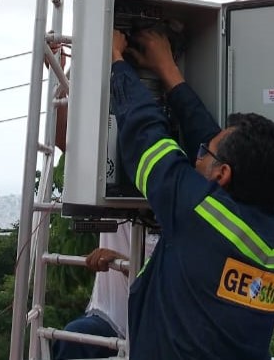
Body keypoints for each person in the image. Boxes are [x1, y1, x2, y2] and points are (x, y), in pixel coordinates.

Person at [110, 28, 274, 360]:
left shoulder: (198, 214)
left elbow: (144, 136)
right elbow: (216, 148)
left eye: (203, 153)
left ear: (222, 175)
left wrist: (115, 58)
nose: (196, 156)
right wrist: (168, 69)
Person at [49, 43, 154, 360]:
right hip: (110, 316)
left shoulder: (177, 184)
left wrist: (124, 261)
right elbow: (66, 140)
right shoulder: (114, 165)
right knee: (71, 342)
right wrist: (65, 77)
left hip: (153, 324)